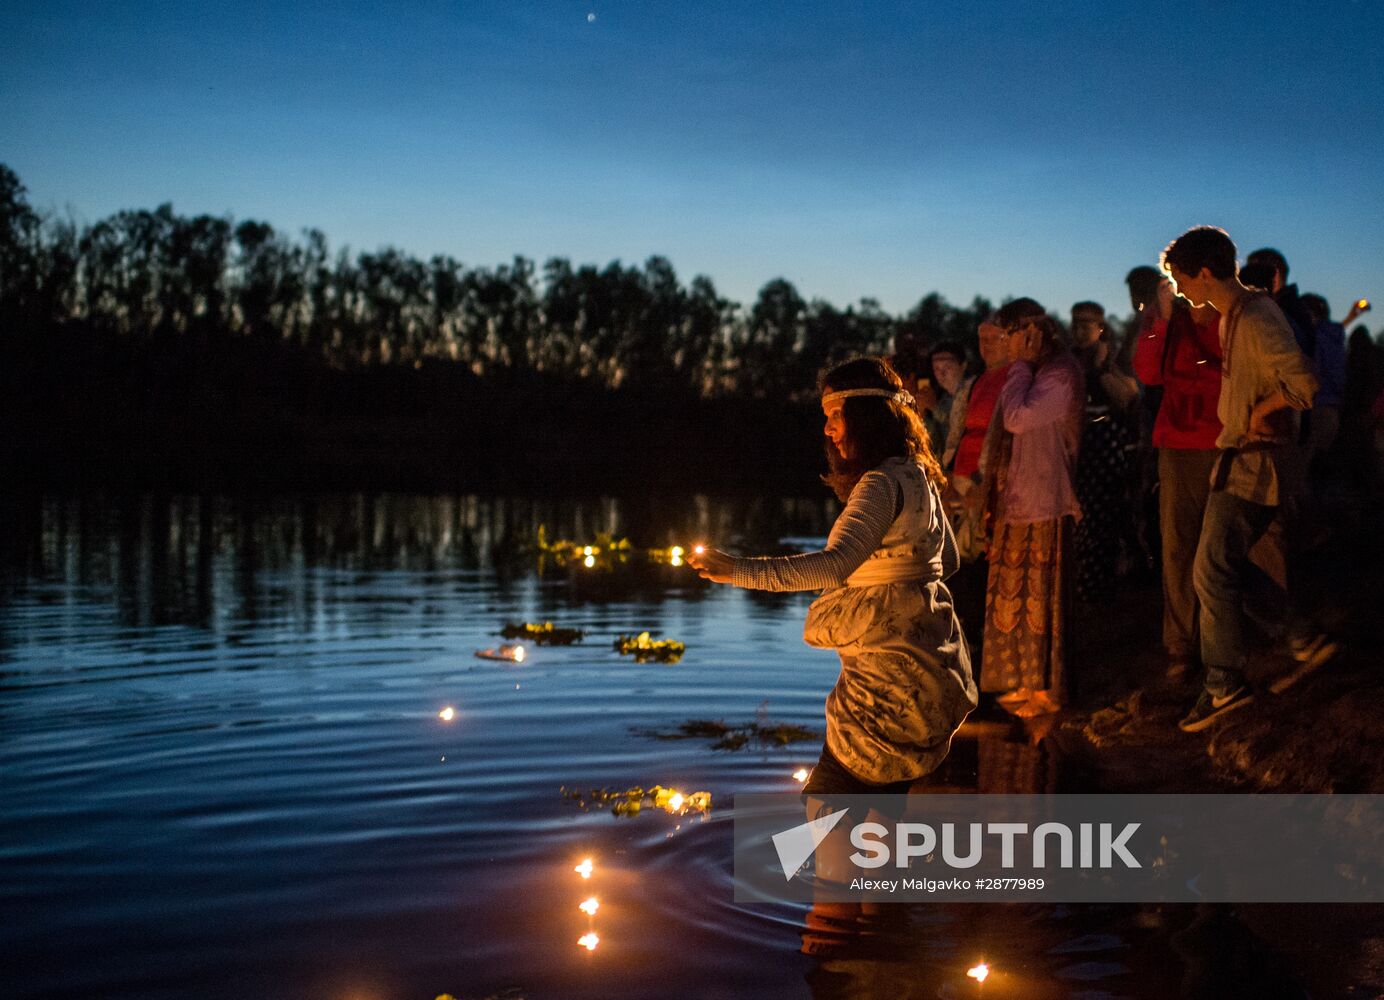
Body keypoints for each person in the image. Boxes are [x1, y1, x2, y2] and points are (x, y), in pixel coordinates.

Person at [688, 357, 978, 793]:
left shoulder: (879, 484)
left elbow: (834, 564)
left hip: (883, 681)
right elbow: (948, 560)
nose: (828, 430)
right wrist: (902, 581)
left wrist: (737, 570)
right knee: (879, 804)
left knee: (826, 803)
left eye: (836, 415)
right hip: (927, 669)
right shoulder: (919, 475)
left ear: (865, 416)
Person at [1159, 226, 1334, 733]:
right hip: (1239, 457)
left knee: (1212, 568)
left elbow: (1305, 383)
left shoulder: (1255, 317)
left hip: (1255, 462)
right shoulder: (1235, 317)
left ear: (1204, 273)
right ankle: (1299, 635)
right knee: (1219, 566)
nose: (1178, 289)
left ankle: (1224, 684)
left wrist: (1264, 410)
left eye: (1181, 278)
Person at [978, 298, 1084, 717]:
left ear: (1032, 333)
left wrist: (1019, 365)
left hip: (1045, 499)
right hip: (1017, 500)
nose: (1004, 343)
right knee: (1015, 600)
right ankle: (1023, 681)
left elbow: (1018, 418)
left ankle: (1047, 689)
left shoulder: (1061, 373)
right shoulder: (1032, 372)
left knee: (1041, 601)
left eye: (1009, 335)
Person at [1132, 278, 1224, 678]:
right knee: (1178, 545)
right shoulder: (1164, 319)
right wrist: (1163, 319)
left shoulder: (1231, 313)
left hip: (1225, 439)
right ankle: (1182, 643)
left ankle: (1254, 632)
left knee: (1234, 543)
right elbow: (1148, 372)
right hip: (1177, 444)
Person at [1070, 300, 1141, 603]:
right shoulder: (1069, 360)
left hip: (1105, 448)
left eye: (1087, 323)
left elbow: (1129, 399)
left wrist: (1101, 369)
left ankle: (1099, 590)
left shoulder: (1113, 359)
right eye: (1076, 322)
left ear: (1100, 327)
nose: (1080, 329)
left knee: (1102, 519)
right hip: (1079, 448)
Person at [915, 341, 968, 459]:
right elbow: (935, 441)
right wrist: (922, 413)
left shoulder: (973, 393)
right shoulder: (942, 399)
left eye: (948, 367)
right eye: (936, 368)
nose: (942, 373)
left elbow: (962, 428)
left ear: (963, 365)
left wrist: (935, 408)